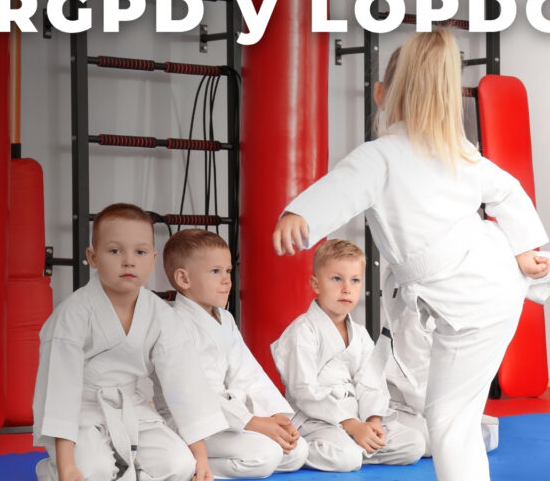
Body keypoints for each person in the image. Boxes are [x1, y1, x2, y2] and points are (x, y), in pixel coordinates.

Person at [272, 28, 550, 481]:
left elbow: (339, 188)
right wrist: (523, 249)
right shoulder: (459, 152)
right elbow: (509, 191)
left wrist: (299, 213)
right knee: (452, 414)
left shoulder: (381, 157)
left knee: (448, 420)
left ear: (380, 94)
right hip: (488, 284)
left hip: (465, 295)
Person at [371, 45, 550, 457]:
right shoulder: (388, 160)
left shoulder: (454, 154)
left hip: (454, 286)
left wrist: (527, 249)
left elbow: (503, 200)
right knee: (428, 428)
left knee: (454, 427)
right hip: (422, 301)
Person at [32, 203, 227, 481]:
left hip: (132, 409)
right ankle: (52, 470)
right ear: (93, 257)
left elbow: (184, 384)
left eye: (140, 252)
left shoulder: (160, 314)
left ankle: (123, 469)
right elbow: (60, 393)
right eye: (115, 251)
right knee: (93, 472)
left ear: (153, 258)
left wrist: (202, 459)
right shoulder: (72, 315)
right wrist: (67, 467)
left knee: (180, 465)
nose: (129, 261)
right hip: (81, 413)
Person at [160, 229, 308, 478]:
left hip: (228, 416)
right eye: (215, 271)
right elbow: (193, 395)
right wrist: (252, 423)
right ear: (184, 279)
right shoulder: (173, 324)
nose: (226, 280)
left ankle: (231, 452)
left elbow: (248, 373)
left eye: (228, 271)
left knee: (297, 451)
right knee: (267, 455)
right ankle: (191, 465)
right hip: (190, 422)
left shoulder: (225, 318)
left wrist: (275, 416)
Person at [271, 239, 425, 472]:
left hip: (356, 416)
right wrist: (351, 425)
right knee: (347, 458)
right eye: (336, 279)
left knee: (414, 444)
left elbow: (372, 381)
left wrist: (373, 420)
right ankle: (304, 450)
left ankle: (354, 447)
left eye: (355, 280)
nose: (346, 288)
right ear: (316, 284)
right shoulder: (302, 332)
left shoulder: (360, 334)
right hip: (316, 419)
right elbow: (303, 391)